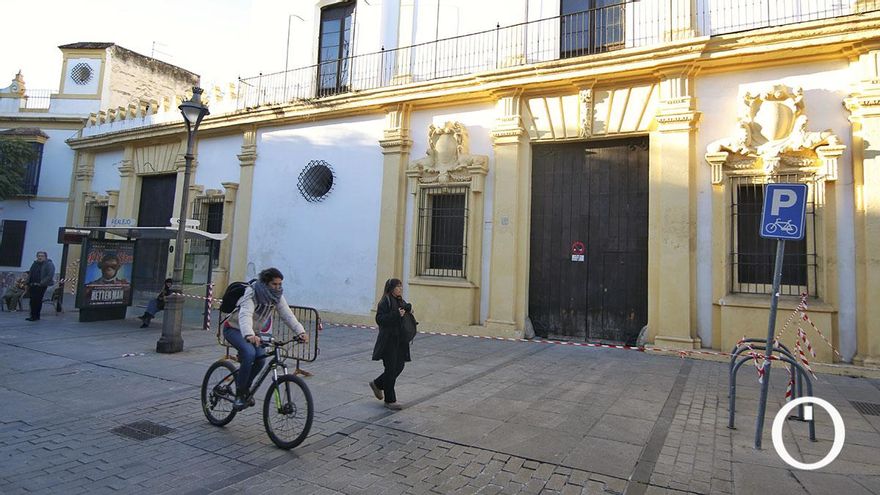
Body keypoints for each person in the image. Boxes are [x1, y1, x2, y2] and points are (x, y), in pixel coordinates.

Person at [223, 267, 309, 410]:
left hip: (253, 333)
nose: (278, 287)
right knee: (249, 353)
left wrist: (300, 331)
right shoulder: (252, 292)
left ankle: (246, 387)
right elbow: (245, 314)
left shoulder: (277, 296)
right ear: (265, 283)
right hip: (234, 329)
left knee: (261, 358)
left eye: (280, 284)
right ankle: (239, 394)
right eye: (274, 284)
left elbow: (287, 315)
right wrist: (249, 335)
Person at [369, 278, 412, 411]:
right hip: (388, 341)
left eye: (401, 286)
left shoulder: (400, 301)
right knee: (391, 369)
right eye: (397, 287)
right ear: (391, 288)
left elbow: (403, 313)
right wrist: (396, 314)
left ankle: (377, 383)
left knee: (399, 366)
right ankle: (390, 400)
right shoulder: (385, 301)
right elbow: (380, 319)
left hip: (400, 341)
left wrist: (408, 311)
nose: (400, 289)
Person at [26, 251, 55, 321]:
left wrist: (42, 282)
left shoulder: (49, 264)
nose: (40, 257)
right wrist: (27, 282)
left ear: (45, 257)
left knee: (37, 300)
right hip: (32, 285)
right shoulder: (35, 264)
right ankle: (33, 315)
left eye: (42, 256)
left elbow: (50, 275)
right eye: (39, 256)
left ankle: (36, 316)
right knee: (32, 301)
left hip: (41, 286)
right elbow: (30, 273)